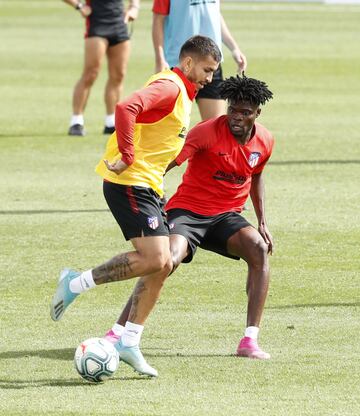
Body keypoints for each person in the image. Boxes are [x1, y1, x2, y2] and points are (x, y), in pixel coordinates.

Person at [50, 35, 222, 377]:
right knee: (155, 259)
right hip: (129, 183)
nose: (209, 78)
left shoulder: (183, 92)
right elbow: (126, 107)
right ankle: (75, 283)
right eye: (206, 70)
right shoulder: (171, 87)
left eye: (213, 72)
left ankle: (129, 340)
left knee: (163, 265)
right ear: (188, 63)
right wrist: (127, 155)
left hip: (149, 185)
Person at [105, 74, 274, 360]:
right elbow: (168, 162)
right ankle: (118, 332)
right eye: (232, 109)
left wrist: (262, 221)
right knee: (165, 260)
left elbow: (256, 176)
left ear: (257, 113)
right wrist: (143, 185)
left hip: (226, 217)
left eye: (244, 113)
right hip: (188, 212)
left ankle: (249, 341)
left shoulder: (265, 140)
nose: (236, 117)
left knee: (258, 250)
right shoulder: (205, 131)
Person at [152, 0, 247, 121]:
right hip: (180, 65)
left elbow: (215, 14)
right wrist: (160, 58)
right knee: (172, 126)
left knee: (215, 126)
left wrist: (234, 48)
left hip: (210, 65)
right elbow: (158, 20)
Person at [63, 0, 140, 136]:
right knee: (91, 73)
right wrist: (79, 6)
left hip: (120, 22)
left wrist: (134, 7)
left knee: (118, 75)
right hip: (97, 23)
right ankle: (76, 121)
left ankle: (111, 122)